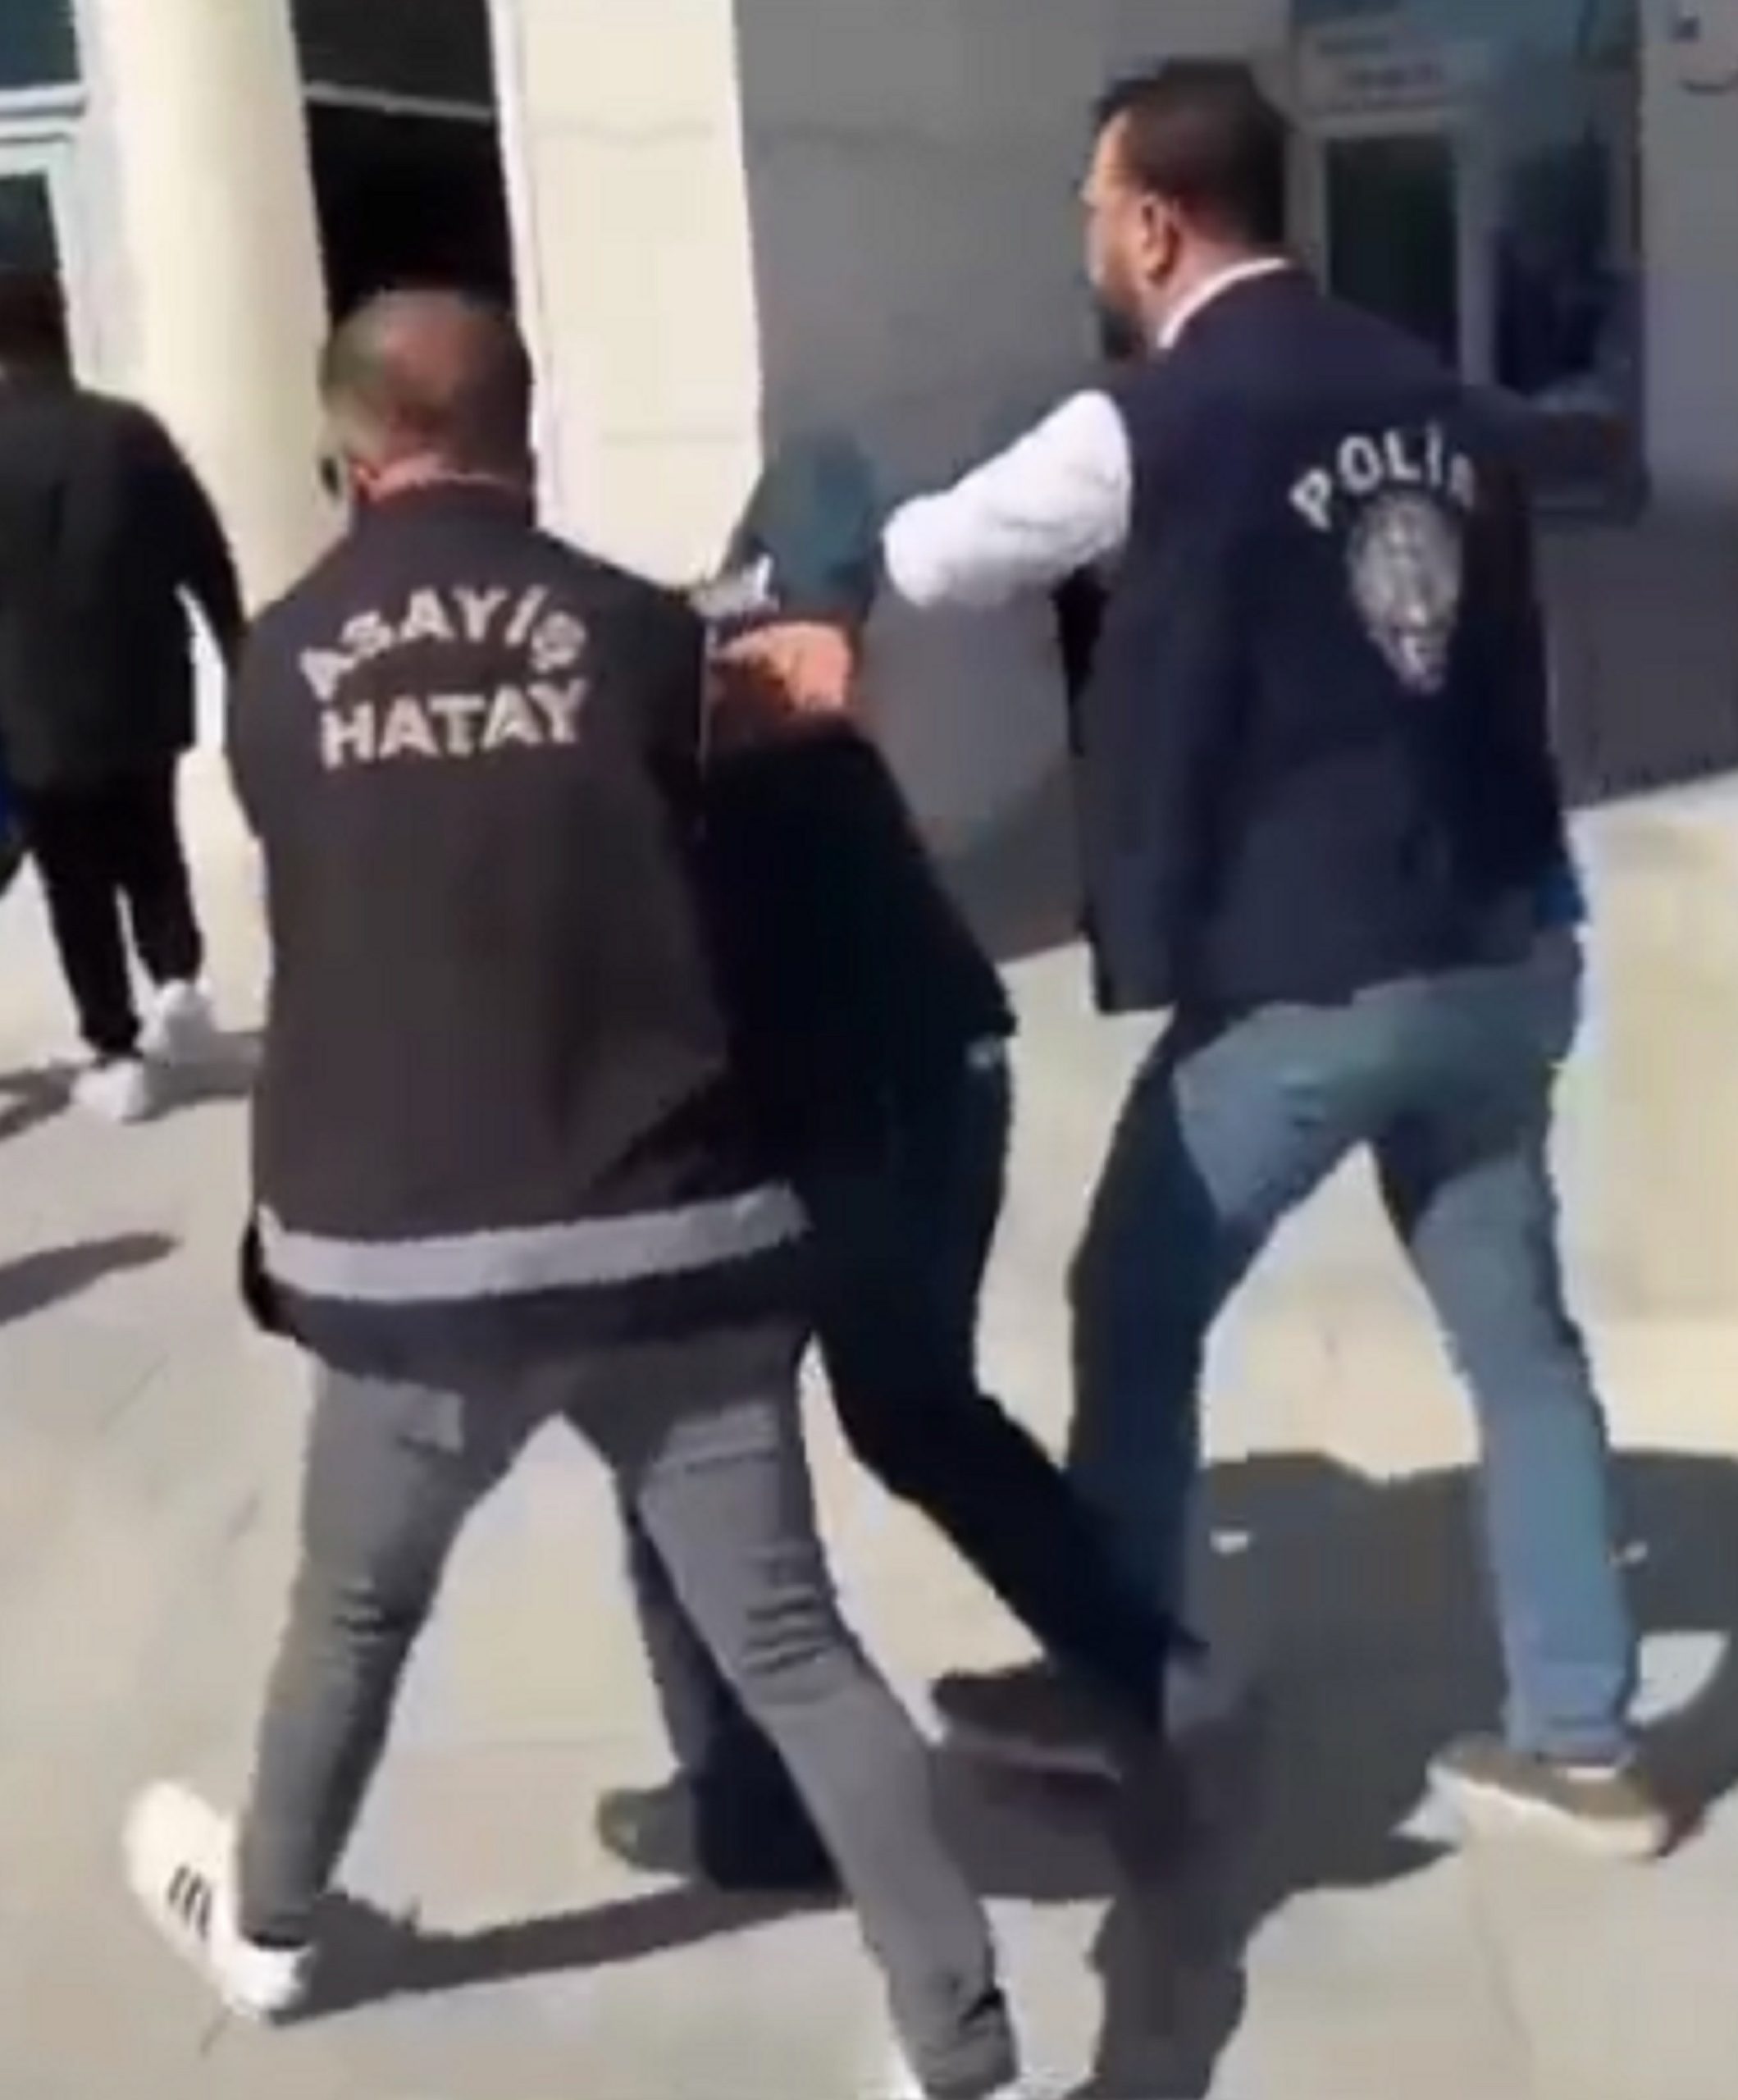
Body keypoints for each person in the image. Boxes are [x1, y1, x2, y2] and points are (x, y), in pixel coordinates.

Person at [119, 292, 1024, 2100]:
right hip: (674, 1235)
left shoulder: (280, 668)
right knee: (791, 1639)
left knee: (354, 1612)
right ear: (522, 435)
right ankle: (958, 2030)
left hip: (407, 1262)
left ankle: (271, 1929)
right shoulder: (643, 638)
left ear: (348, 455)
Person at [860, 63, 1663, 1857]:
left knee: (1132, 1303)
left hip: (1311, 973)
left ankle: (1130, 1683)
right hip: (1501, 945)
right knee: (1518, 1344)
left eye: (1094, 207)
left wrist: (811, 545)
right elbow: (1523, 678)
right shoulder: (1447, 401)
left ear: (1154, 223)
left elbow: (939, 557)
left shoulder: (1150, 419)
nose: (1088, 237)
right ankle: (1584, 1739)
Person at [600, 442, 1186, 1890]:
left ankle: (752, 1809)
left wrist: (816, 608)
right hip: (923, 1078)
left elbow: (823, 476)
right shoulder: (698, 695)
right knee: (903, 1411)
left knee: (694, 1444)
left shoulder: (676, 692)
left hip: (867, 1101)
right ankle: (1142, 1669)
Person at [0, 276, 242, 1121]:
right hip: (142, 685)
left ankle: (115, 1044)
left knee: (74, 881)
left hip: (27, 705)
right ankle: (178, 981)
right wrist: (236, 648)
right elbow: (205, 551)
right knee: (152, 842)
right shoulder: (129, 433)